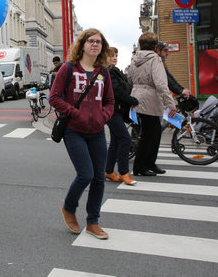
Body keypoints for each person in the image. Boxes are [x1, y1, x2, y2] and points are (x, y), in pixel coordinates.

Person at [49, 28, 114, 240]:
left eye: (99, 42)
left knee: (99, 179)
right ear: (82, 44)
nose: (95, 45)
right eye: (90, 41)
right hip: (74, 131)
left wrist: (102, 117)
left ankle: (93, 222)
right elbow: (54, 97)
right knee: (86, 174)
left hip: (96, 131)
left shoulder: (103, 72)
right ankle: (69, 207)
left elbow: (110, 102)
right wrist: (74, 113)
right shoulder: (68, 69)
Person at [129, 33, 177, 177]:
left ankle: (149, 163)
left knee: (151, 132)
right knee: (151, 133)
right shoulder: (155, 59)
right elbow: (161, 83)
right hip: (150, 98)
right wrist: (171, 104)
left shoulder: (135, 59)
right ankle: (140, 166)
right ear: (155, 45)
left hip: (137, 96)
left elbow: (130, 79)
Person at [105, 47, 138, 186]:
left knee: (116, 141)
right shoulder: (107, 71)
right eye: (111, 55)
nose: (114, 58)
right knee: (125, 139)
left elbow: (123, 87)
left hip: (116, 110)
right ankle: (123, 172)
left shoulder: (114, 70)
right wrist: (132, 100)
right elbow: (117, 91)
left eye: (116, 55)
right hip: (111, 110)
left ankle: (108, 171)